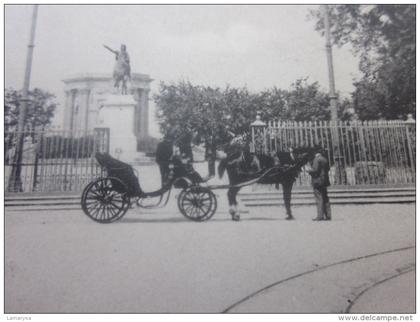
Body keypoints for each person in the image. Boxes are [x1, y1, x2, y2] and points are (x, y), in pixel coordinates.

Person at [306, 148, 331, 221]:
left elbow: (315, 170)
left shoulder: (316, 159)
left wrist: (308, 170)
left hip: (318, 181)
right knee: (325, 198)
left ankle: (320, 216)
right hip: (325, 180)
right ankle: (328, 215)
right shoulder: (324, 159)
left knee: (319, 198)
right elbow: (328, 169)